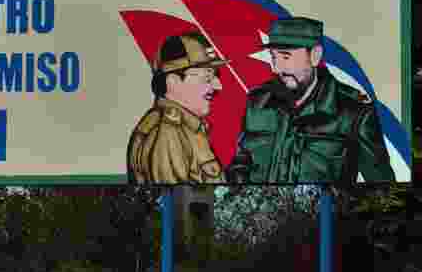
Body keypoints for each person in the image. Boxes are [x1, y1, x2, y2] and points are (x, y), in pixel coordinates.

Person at [226, 16, 395, 184]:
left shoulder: (354, 112)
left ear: (315, 55)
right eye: (273, 57)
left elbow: (382, 186)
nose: (277, 68)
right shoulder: (258, 102)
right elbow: (240, 165)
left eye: (286, 57)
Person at [127, 32, 227, 185]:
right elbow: (177, 202)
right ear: (172, 81)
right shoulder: (168, 133)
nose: (218, 85)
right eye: (207, 78)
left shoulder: (185, 128)